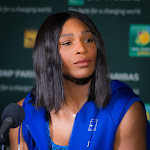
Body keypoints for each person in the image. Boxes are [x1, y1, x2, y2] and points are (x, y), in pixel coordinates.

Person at [9, 11, 150, 150]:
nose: (82, 49)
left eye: (88, 40)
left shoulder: (125, 108)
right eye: (67, 43)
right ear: (47, 54)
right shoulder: (22, 114)